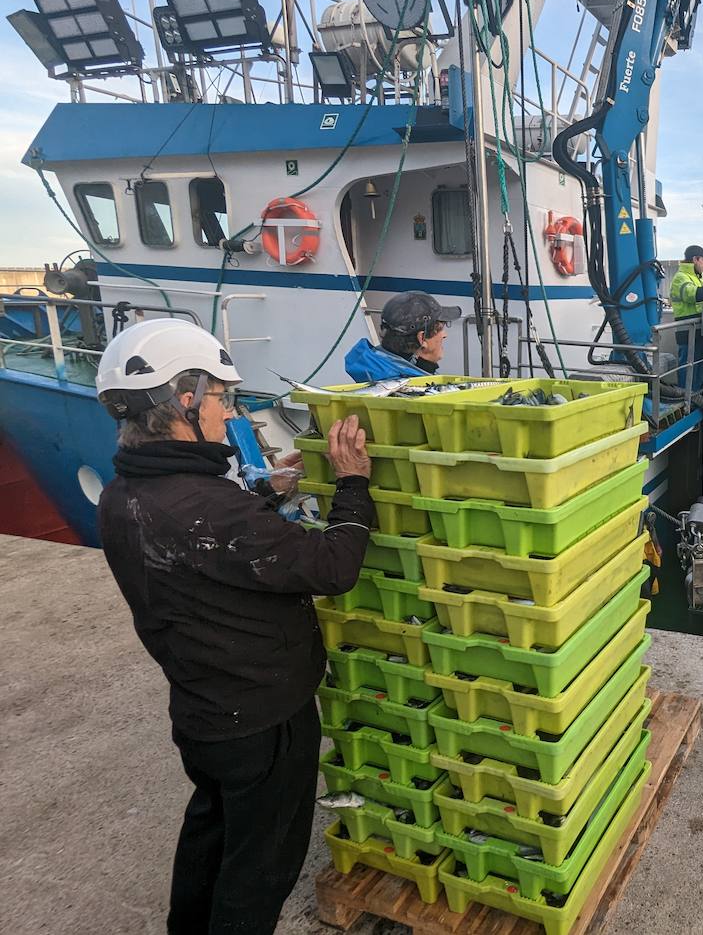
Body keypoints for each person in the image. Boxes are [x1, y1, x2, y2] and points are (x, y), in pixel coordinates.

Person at [94, 318, 377, 935]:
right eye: (224, 397)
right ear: (185, 401)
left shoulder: (123, 496)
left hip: (202, 712)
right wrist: (353, 482)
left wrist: (268, 497)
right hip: (262, 717)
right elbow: (332, 567)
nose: (231, 413)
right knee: (262, 867)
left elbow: (207, 552)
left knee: (212, 832)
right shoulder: (209, 507)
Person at [344, 290, 462, 382]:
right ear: (422, 339)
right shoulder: (412, 389)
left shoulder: (377, 369)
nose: (444, 335)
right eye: (440, 329)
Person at [668, 244, 703, 388]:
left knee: (700, 365)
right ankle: (686, 399)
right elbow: (689, 294)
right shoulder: (680, 278)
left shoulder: (702, 279)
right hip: (687, 330)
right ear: (695, 259)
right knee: (688, 367)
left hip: (702, 329)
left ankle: (698, 396)